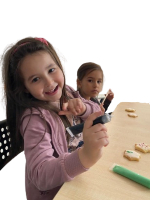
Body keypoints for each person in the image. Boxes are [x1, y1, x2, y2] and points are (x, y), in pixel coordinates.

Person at [0, 37, 109, 200]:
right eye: (35, 79)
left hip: (78, 180)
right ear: (24, 87)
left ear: (59, 65)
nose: (50, 82)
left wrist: (82, 108)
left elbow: (95, 110)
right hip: (55, 194)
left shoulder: (69, 91)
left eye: (51, 70)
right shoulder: (34, 120)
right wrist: (85, 156)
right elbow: (40, 174)